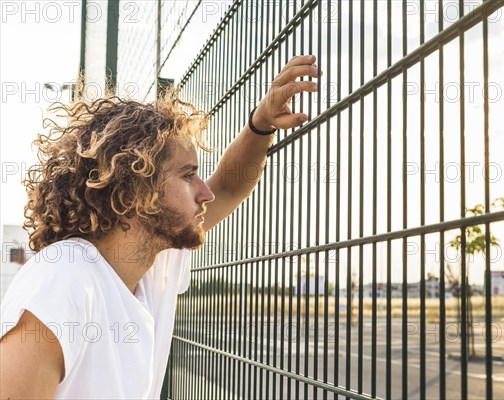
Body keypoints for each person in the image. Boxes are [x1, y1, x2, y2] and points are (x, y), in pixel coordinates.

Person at [0, 55, 320, 399]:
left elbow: (229, 187)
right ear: (133, 192)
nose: (205, 192)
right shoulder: (64, 279)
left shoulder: (152, 266)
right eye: (187, 176)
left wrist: (261, 124)